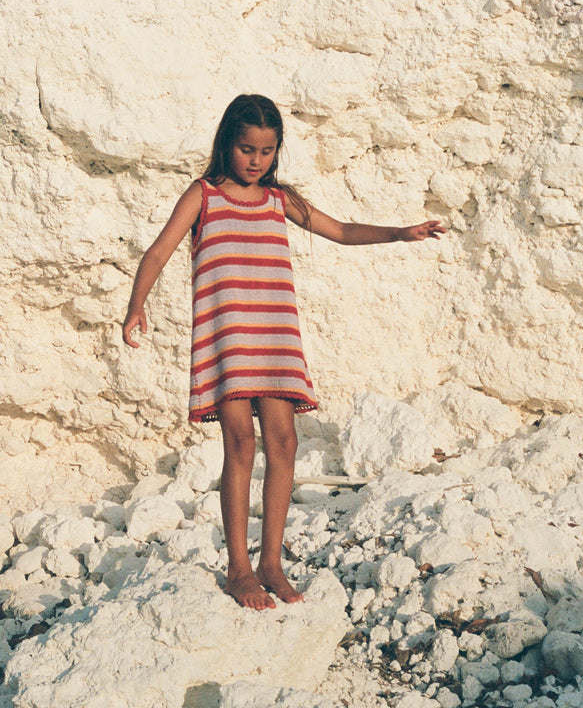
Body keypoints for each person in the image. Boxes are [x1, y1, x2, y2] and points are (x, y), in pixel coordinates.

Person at [122, 94, 445, 611]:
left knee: (285, 444)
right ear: (227, 143)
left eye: (267, 151)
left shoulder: (279, 199)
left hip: (274, 337)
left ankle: (271, 563)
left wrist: (400, 233)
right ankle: (238, 570)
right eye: (247, 148)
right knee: (240, 446)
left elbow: (338, 231)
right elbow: (159, 250)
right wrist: (136, 307)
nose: (256, 160)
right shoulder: (203, 195)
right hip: (227, 340)